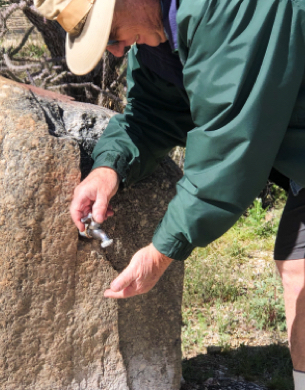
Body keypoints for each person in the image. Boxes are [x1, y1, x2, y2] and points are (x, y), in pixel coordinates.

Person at [34, 0, 305, 387]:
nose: (114, 50)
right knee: (298, 269)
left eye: (110, 34)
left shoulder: (232, 11)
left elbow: (228, 147)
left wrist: (161, 252)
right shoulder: (158, 37)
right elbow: (151, 115)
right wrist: (109, 169)